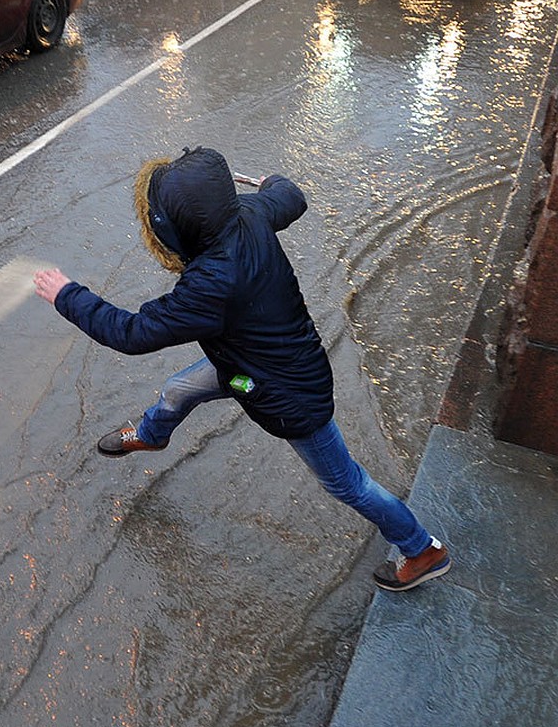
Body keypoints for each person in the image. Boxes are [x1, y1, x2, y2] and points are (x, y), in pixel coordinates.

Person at [32, 147, 451, 592]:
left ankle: (421, 549)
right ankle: (153, 436)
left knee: (348, 484)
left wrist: (67, 295)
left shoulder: (208, 285)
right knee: (179, 389)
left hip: (289, 394)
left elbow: (132, 334)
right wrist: (269, 181)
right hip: (244, 366)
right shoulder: (248, 214)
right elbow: (291, 197)